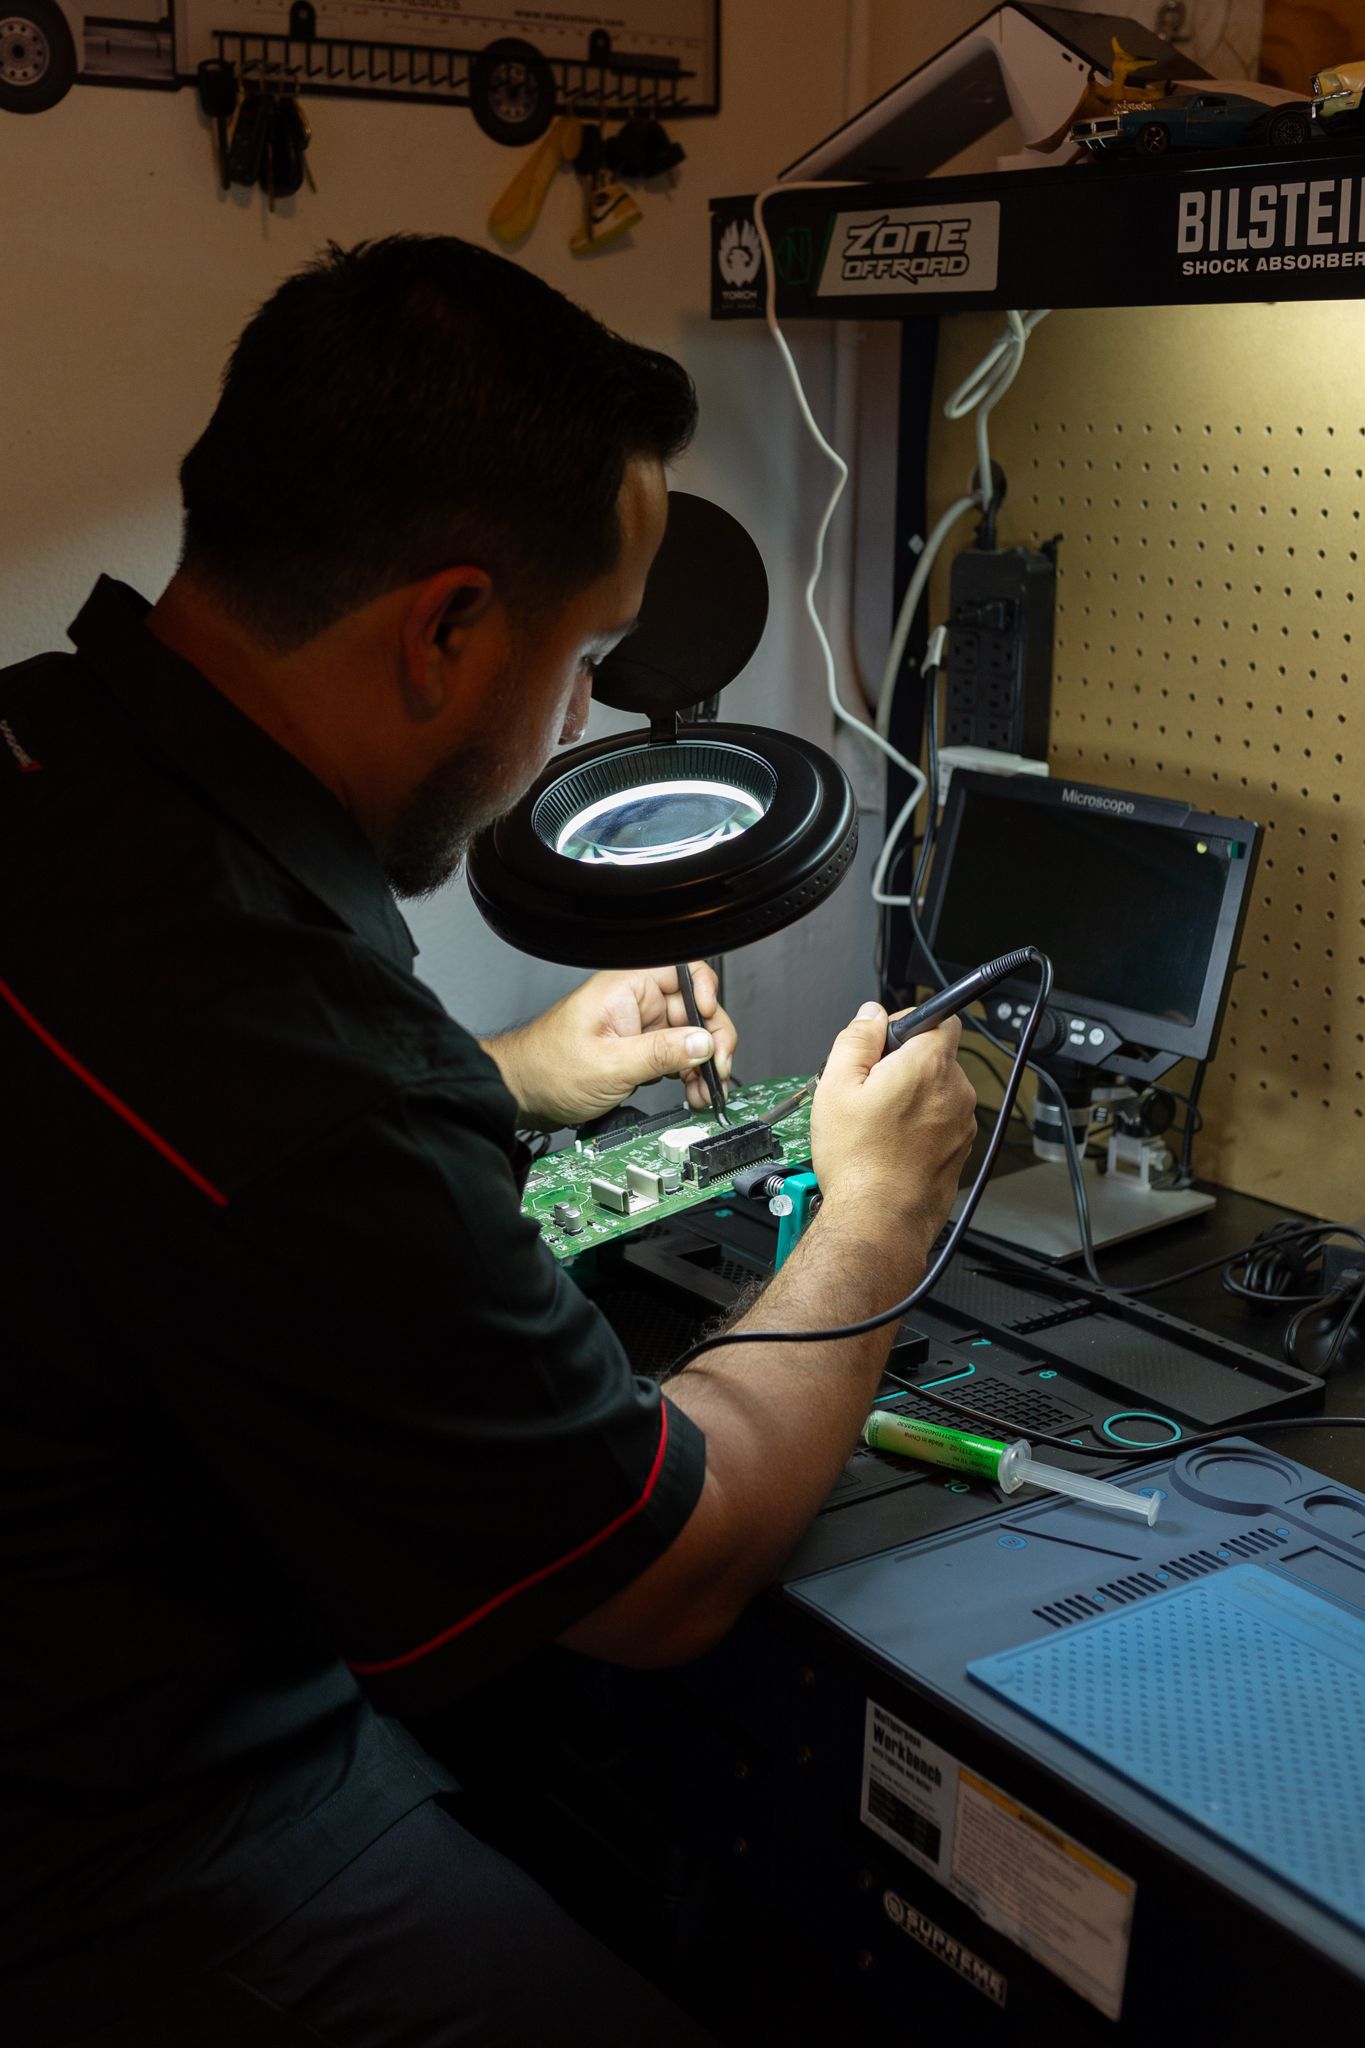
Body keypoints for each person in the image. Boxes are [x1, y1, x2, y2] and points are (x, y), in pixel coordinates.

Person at [0, 235, 977, 2046]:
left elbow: (158, 1136)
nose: (580, 721)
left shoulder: (50, 760)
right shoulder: (289, 1053)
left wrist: (503, 1077)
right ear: (446, 629)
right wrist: (876, 1213)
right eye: (586, 656)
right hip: (122, 1840)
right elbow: (658, 1571)